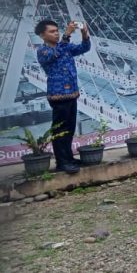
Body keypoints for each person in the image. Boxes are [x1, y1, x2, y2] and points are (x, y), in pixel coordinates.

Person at [35, 19, 92, 174]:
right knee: (60, 130)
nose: (56, 33)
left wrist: (84, 34)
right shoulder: (42, 51)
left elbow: (84, 48)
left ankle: (69, 158)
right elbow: (55, 54)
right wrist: (66, 35)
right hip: (58, 96)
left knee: (69, 129)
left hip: (72, 93)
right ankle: (62, 162)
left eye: (57, 31)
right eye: (52, 31)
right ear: (42, 35)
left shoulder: (65, 47)